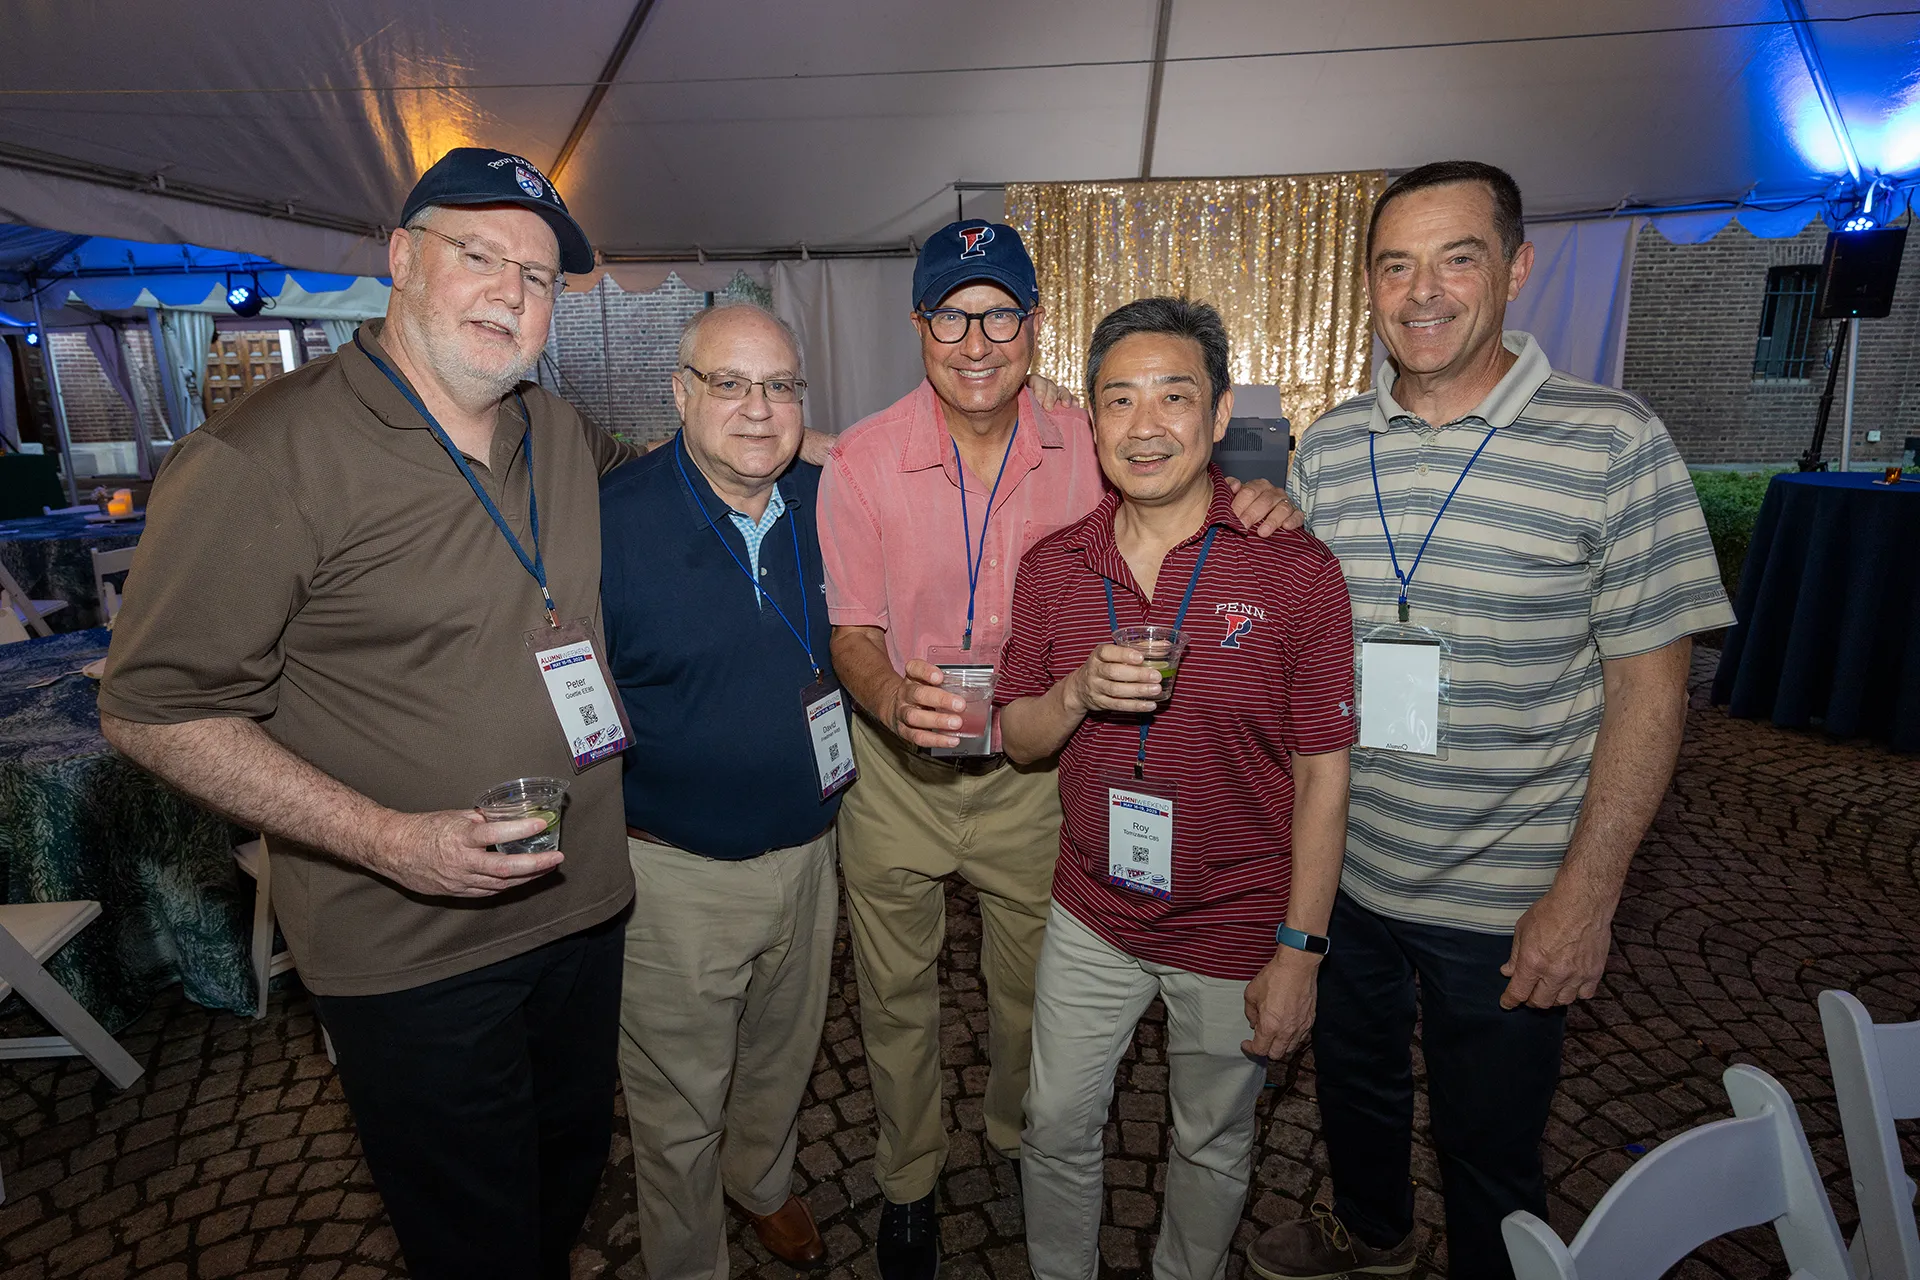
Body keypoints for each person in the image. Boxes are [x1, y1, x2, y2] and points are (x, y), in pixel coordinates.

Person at [98, 148, 637, 1279]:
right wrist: (389, 839)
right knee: (473, 1239)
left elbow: (684, 474)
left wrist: (817, 443)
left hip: (584, 905)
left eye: (539, 277)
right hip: (414, 946)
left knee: (565, 1178)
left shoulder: (557, 430)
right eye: (479, 254)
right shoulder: (263, 456)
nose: (511, 292)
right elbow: (153, 710)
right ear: (400, 257)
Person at [1245, 161, 1736, 1280]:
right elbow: (1301, 644)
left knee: (1491, 1145)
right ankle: (1371, 1234)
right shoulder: (1332, 445)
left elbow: (1650, 691)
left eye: (1456, 259)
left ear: (1516, 270)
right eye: (1395, 266)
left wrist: (1588, 896)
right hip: (1348, 872)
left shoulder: (1614, 442)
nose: (1423, 291)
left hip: (1508, 892)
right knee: (1356, 1088)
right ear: (1369, 286)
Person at [817, 221, 1298, 1278]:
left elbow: (1185, 488)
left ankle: (1015, 1136)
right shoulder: (859, 461)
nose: (976, 342)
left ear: (1034, 326)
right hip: (900, 776)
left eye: (1000, 315)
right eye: (953, 316)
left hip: (1036, 773)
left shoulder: (1095, 439)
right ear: (919, 326)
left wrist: (1263, 498)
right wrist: (892, 699)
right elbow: (851, 630)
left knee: (1030, 992)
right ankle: (909, 1178)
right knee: (893, 997)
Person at [995, 296, 1355, 1280]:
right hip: (1092, 908)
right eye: (1120, 400)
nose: (1145, 425)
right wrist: (1075, 691)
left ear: (1220, 410)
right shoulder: (1055, 567)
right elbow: (1019, 739)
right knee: (1053, 1119)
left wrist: (1301, 951)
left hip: (1237, 920)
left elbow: (1324, 772)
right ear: (1092, 419)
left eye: (1174, 396)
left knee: (1211, 1138)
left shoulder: (1296, 571)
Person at [599, 302, 849, 1279]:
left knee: (784, 1056)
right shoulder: (611, 521)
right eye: (730, 383)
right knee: (677, 1108)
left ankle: (762, 1179)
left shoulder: (830, 500)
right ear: (680, 392)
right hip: (675, 876)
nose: (758, 408)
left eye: (780, 386)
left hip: (812, 850)